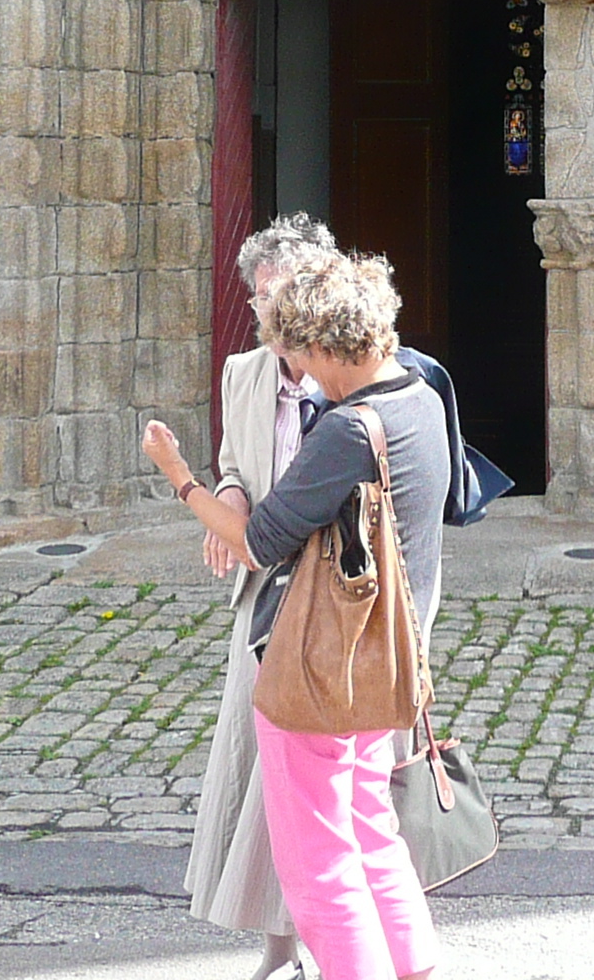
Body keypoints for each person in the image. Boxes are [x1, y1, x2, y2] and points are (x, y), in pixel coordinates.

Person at [143, 250, 449, 980]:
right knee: (371, 826)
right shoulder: (424, 398)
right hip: (389, 653)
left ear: (319, 344)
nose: (298, 370)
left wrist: (177, 473)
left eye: (296, 350)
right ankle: (416, 967)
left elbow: (253, 541)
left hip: (321, 664)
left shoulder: (347, 432)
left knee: (319, 861)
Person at [184, 212, 339, 980]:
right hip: (262, 596)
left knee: (318, 775)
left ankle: (329, 936)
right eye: (260, 300)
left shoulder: (351, 378)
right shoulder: (243, 373)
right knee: (255, 768)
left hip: (335, 602)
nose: (271, 317)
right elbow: (234, 462)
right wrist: (230, 497)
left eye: (286, 298)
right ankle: (280, 941)